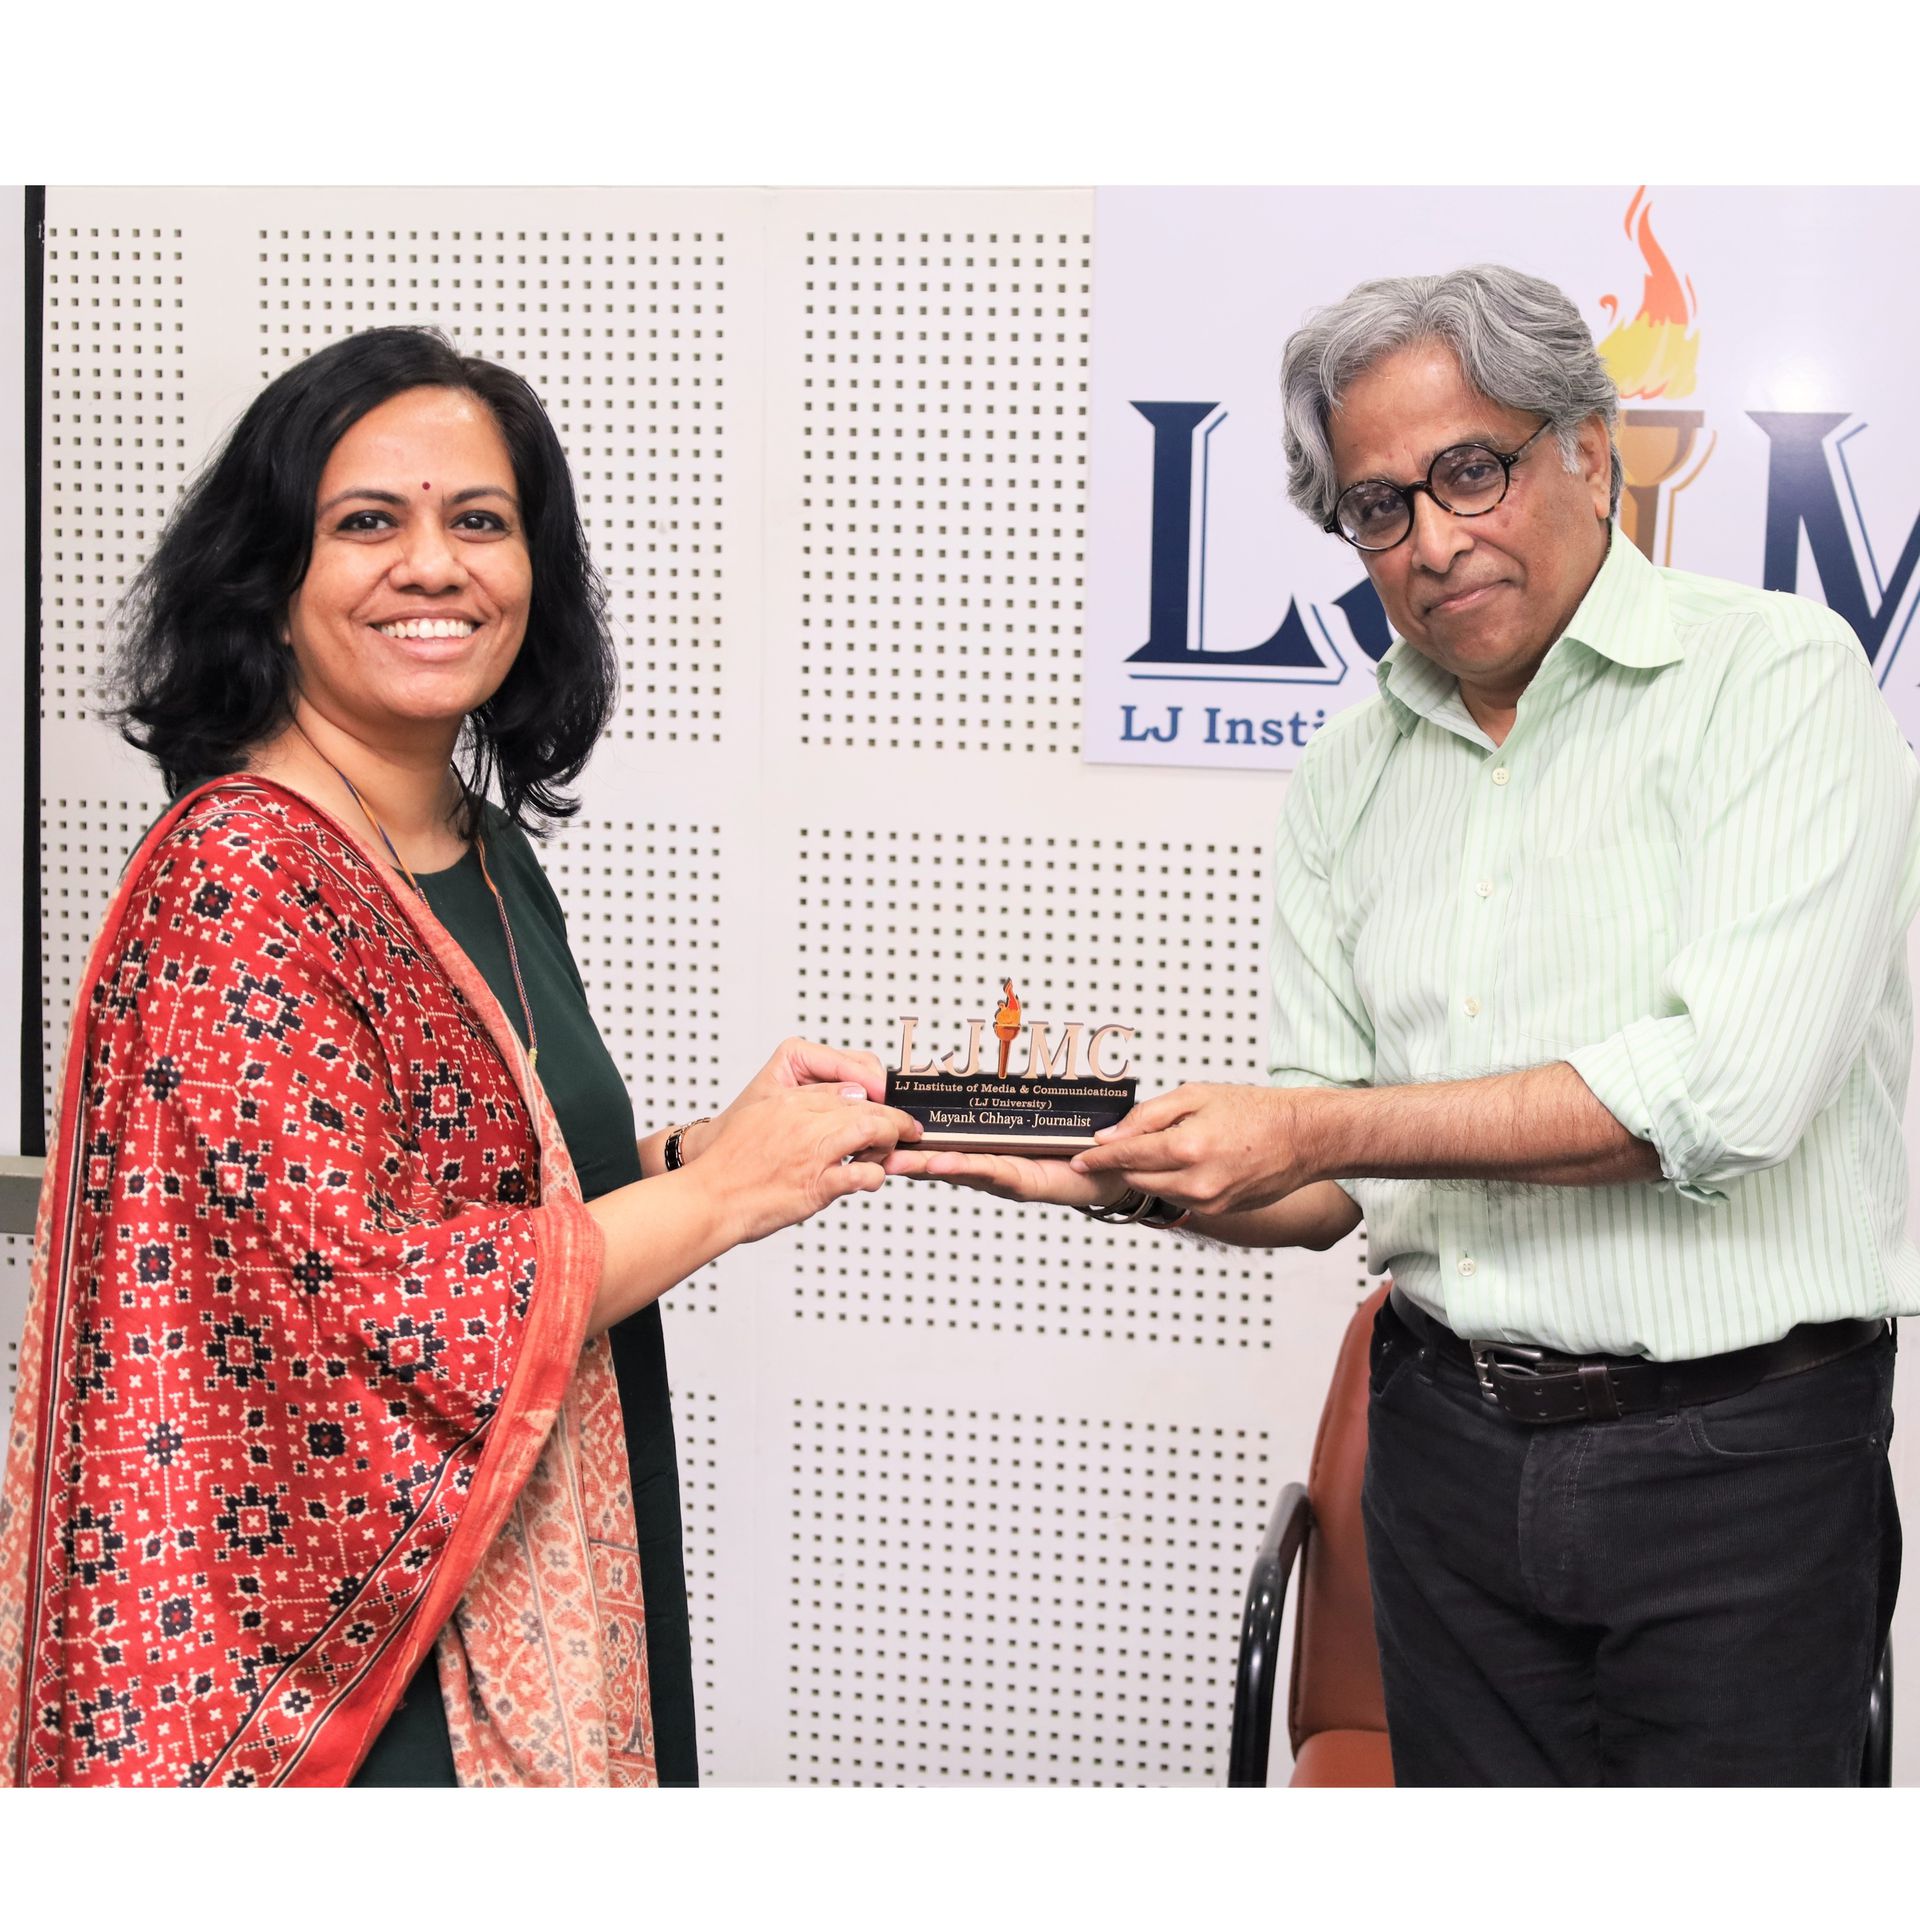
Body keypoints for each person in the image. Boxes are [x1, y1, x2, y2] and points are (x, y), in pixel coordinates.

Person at [892, 265, 1917, 1786]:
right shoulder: (1346, 771)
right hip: (1441, 1453)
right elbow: (1329, 1188)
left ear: (1590, 451)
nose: (1433, 540)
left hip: (1734, 1466)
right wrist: (1130, 1175)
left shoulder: (1778, 682)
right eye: (1380, 506)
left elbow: (1724, 1097)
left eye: (1471, 470)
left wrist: (1317, 1124)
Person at [0, 327, 918, 1787]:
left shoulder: (477, 850)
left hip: (560, 1552)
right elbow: (370, 1304)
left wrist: (707, 1151)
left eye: (480, 522)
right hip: (358, 1677)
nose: (434, 567)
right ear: (270, 581)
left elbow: (505, 1186)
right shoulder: (239, 879)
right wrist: (724, 1196)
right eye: (369, 522)